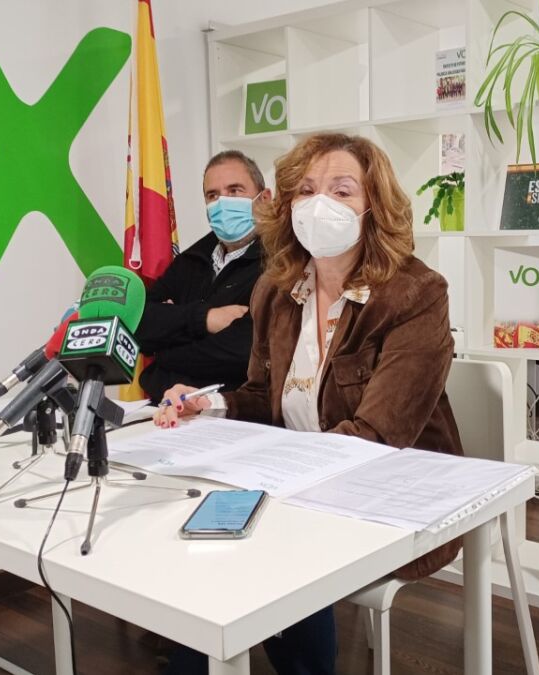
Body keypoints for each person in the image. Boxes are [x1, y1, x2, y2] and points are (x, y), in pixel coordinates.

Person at [154, 133, 464, 675]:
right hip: (295, 484)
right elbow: (262, 395)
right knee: (210, 537)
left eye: (341, 191)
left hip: (391, 490)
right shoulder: (276, 291)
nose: (320, 204)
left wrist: (272, 475)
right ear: (288, 206)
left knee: (264, 540)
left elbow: (379, 436)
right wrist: (210, 404)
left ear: (374, 207)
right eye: (306, 190)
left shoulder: (416, 293)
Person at [135, 150, 271, 401]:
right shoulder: (192, 259)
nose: (222, 202)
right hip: (163, 407)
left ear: (264, 199)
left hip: (231, 411)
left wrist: (164, 350)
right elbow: (139, 323)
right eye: (213, 195)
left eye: (235, 190)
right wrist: (205, 318)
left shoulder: (280, 263)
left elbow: (247, 351)